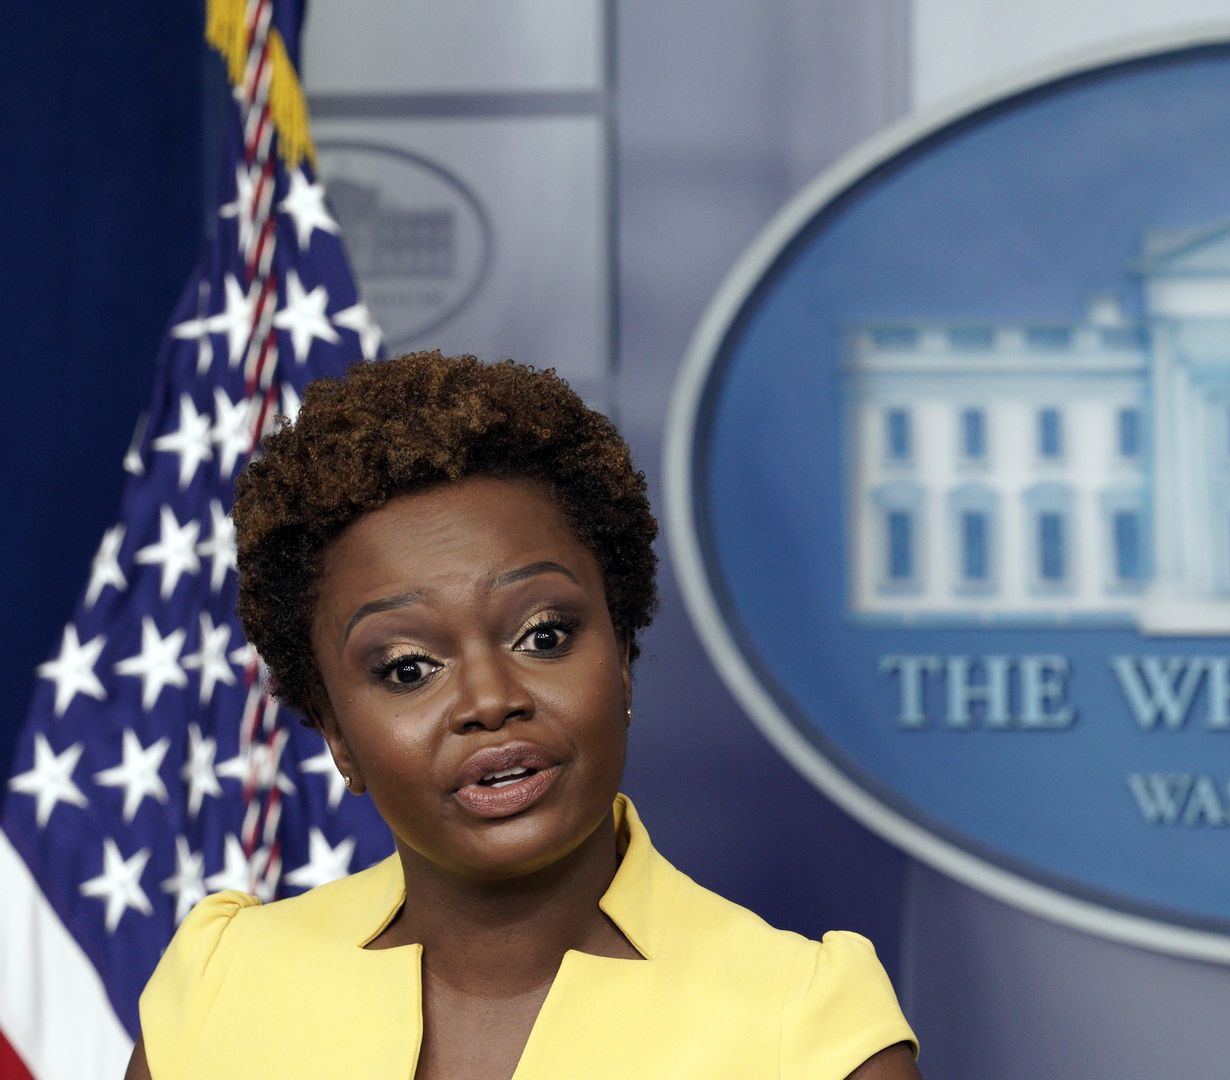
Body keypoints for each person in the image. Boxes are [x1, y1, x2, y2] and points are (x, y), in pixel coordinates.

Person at [125, 352, 919, 1079]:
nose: (489, 699)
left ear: (623, 659)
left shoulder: (808, 1028)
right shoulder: (221, 990)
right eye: (408, 669)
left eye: (544, 635)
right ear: (336, 732)